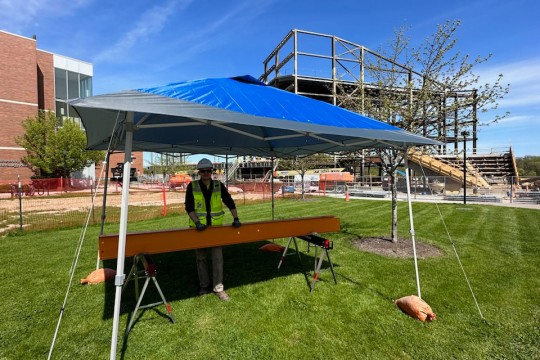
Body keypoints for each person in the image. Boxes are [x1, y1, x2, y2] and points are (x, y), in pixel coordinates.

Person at [184, 158, 241, 301]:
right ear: (199, 172)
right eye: (203, 171)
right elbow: (189, 207)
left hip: (215, 229)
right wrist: (197, 223)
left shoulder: (218, 185)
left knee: (217, 258)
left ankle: (219, 288)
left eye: (208, 171)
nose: (205, 173)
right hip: (198, 229)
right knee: (201, 258)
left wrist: (236, 218)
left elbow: (229, 201)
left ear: (212, 172)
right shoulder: (192, 186)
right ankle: (204, 286)